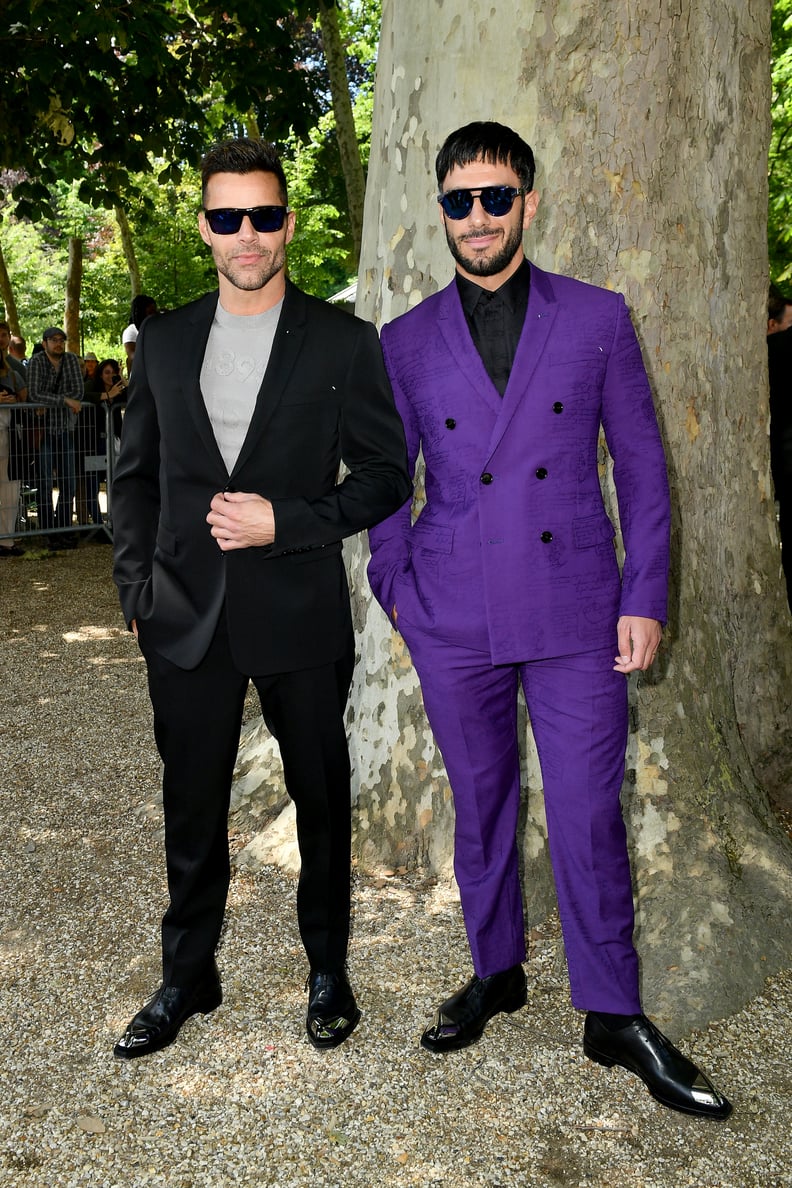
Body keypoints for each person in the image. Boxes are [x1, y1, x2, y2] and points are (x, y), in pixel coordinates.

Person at [367, 121, 731, 1120]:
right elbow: (383, 481)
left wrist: (645, 595)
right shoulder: (402, 341)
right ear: (441, 209)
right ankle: (495, 972)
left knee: (583, 813)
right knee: (479, 807)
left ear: (528, 202)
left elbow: (646, 468)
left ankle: (612, 1012)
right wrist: (396, 585)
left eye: (495, 197)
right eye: (458, 200)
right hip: (452, 613)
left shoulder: (599, 319)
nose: (476, 217)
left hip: (578, 611)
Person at [111, 137, 410, 1060]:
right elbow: (136, 480)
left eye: (265, 217)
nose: (248, 235)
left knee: (321, 801)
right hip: (184, 618)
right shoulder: (160, 342)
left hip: (299, 613)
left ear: (287, 225)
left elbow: (386, 475)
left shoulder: (343, 340)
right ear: (204, 227)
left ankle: (328, 968)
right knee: (190, 806)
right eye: (229, 218)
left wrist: (288, 521)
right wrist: (136, 594)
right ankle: (186, 976)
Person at [26, 327, 84, 548]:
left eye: (61, 340)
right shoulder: (37, 362)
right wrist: (65, 400)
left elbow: (78, 392)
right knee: (45, 484)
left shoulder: (70, 360)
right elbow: (34, 393)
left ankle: (63, 528)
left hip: (65, 429)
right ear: (44, 343)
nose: (58, 343)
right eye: (53, 340)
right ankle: (49, 531)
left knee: (68, 483)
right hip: (43, 431)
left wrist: (53, 400)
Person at [0, 325, 26, 556]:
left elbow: (26, 397)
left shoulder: (15, 369)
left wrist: (16, 397)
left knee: (9, 487)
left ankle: (6, 539)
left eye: (3, 335)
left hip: (9, 435)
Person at [122, 294, 158, 376]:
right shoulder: (131, 331)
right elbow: (133, 356)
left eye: (155, 312)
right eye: (150, 312)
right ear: (141, 313)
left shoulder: (155, 330)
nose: (154, 315)